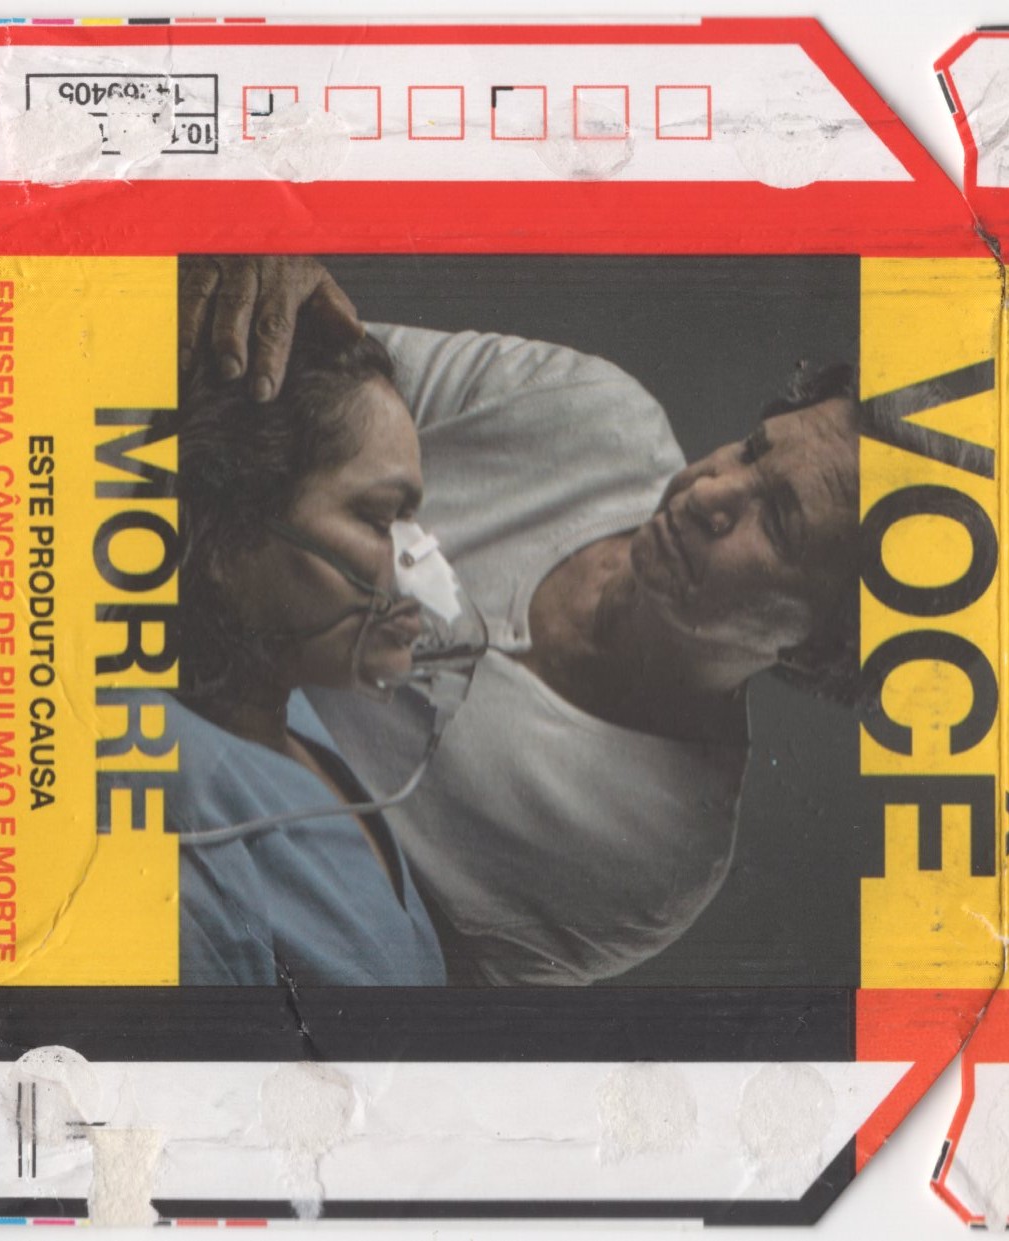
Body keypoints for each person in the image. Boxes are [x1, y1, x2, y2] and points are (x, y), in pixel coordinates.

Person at [180, 255, 866, 986]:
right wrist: (249, 289)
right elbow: (275, 371)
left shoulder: (656, 859)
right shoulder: (586, 410)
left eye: (778, 521)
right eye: (752, 449)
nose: (710, 491)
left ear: (814, 650)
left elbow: (376, 981)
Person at [164, 299, 449, 987]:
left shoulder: (282, 706)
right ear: (229, 535)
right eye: (379, 518)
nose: (423, 567)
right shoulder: (186, 829)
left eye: (411, 520)